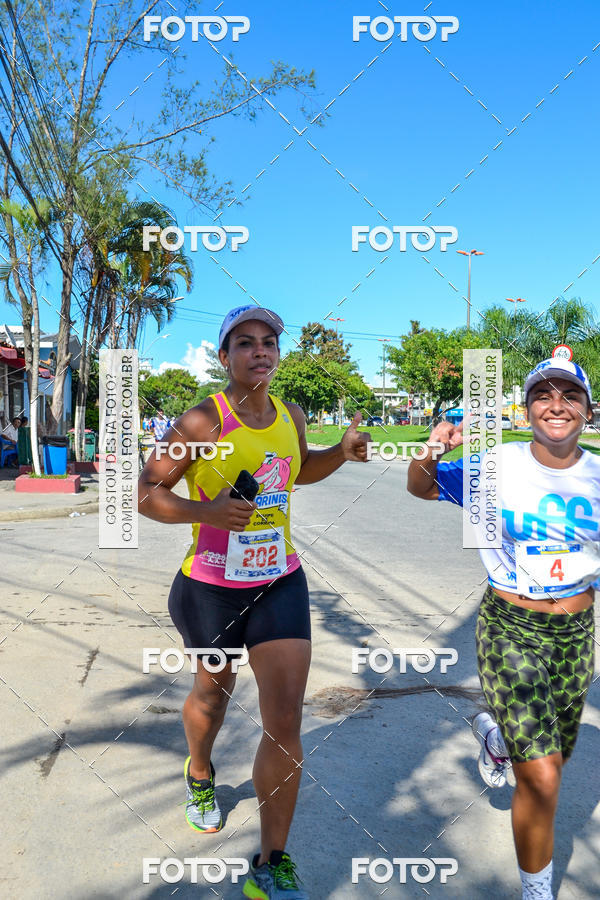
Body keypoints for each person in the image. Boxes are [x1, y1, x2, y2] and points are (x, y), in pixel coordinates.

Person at [138, 304, 371, 899]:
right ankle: (199, 773)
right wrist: (203, 511)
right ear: (225, 356)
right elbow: (143, 493)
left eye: (269, 342)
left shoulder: (290, 414)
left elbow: (297, 471)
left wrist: (340, 452)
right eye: (246, 343)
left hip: (278, 579)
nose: (260, 351)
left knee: (285, 716)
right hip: (211, 586)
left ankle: (272, 861)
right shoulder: (201, 423)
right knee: (212, 695)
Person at [407, 357, 598, 900]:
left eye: (570, 396)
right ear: (529, 407)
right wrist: (432, 448)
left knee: (554, 756)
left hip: (577, 633)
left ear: (585, 409)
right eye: (544, 395)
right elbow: (420, 488)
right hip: (509, 626)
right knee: (541, 777)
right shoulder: (498, 465)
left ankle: (495, 738)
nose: (556, 405)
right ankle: (537, 892)